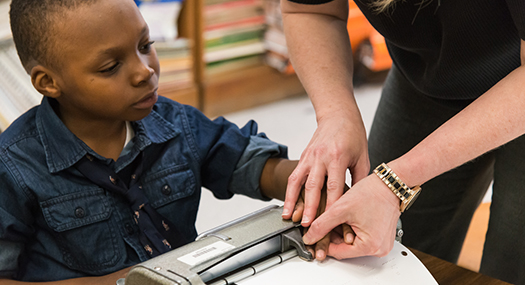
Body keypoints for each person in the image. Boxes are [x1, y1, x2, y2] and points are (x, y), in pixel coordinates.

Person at [0, 0, 329, 283]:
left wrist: (316, 186)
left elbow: (251, 163)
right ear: (48, 82)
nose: (145, 71)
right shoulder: (14, 167)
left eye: (145, 45)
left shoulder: (175, 122)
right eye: (111, 66)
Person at [279, 0, 525, 283]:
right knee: (384, 255)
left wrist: (395, 180)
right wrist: (335, 114)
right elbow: (310, 10)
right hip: (428, 79)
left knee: (512, 263)